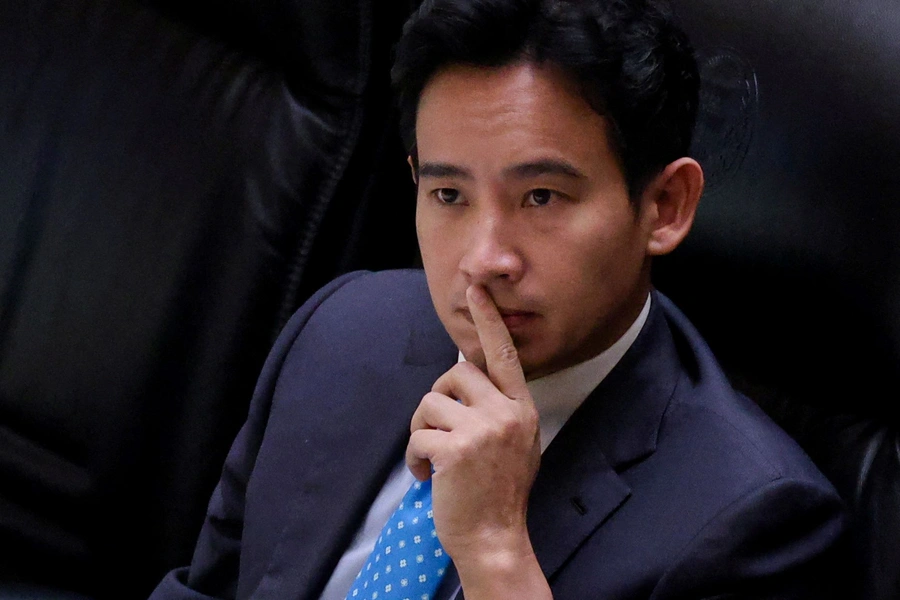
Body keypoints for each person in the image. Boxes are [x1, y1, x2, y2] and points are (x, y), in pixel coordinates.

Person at [149, 0, 847, 598]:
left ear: (664, 205)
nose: (484, 261)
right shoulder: (339, 333)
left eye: (541, 197)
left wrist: (495, 556)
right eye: (448, 195)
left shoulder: (755, 525)